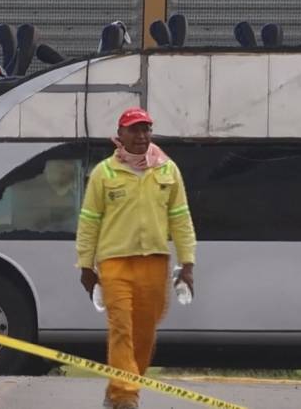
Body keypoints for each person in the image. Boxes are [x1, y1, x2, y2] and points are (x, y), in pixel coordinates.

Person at [75, 107, 196, 409]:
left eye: (146, 129)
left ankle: (120, 385)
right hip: (114, 262)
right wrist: (86, 265)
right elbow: (89, 221)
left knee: (145, 333)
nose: (141, 136)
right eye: (134, 130)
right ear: (121, 135)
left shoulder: (168, 170)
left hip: (154, 261)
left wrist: (188, 263)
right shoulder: (104, 172)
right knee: (121, 328)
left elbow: (181, 219)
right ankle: (125, 396)